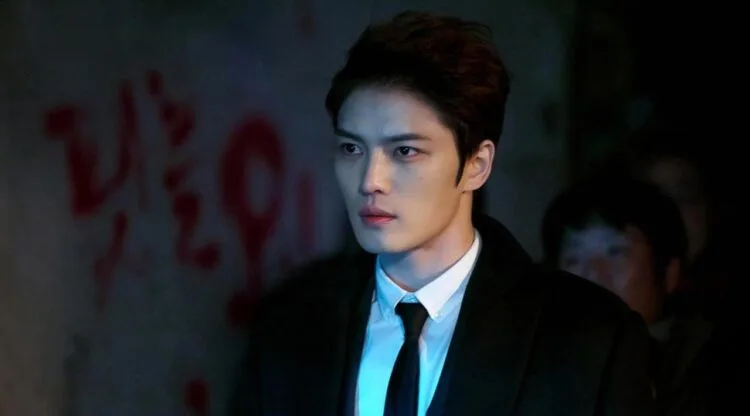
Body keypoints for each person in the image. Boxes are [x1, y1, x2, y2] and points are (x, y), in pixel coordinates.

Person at [231, 11, 654, 416]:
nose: (370, 180)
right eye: (352, 148)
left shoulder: (588, 338)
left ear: (476, 165)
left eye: (405, 151)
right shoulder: (290, 328)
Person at [541, 177, 714, 415]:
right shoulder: (540, 368)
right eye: (574, 259)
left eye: (615, 252)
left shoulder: (710, 367)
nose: (594, 274)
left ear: (669, 273)